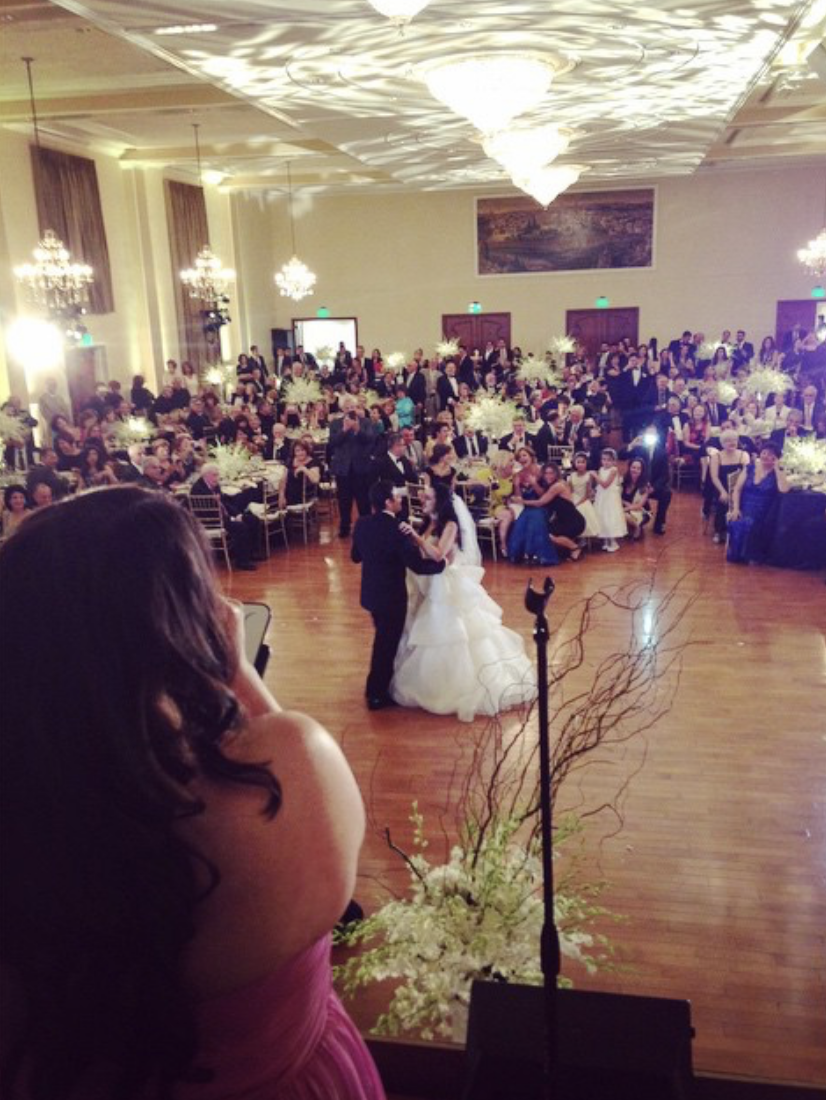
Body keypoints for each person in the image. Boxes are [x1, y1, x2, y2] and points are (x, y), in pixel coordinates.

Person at [0, 487, 385, 1100]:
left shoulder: (30, 817)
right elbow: (326, 837)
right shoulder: (290, 765)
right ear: (182, 617)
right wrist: (236, 672)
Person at [391, 483, 536, 722]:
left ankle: (458, 685)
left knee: (455, 631)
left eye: (428, 498)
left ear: (440, 501)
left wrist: (416, 539)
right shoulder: (429, 523)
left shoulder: (451, 525)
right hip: (429, 583)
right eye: (423, 497)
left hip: (446, 584)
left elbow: (439, 554)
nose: (423, 500)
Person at [351, 480, 445, 711]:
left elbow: (355, 556)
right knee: (386, 644)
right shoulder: (398, 529)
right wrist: (441, 565)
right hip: (392, 597)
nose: (401, 499)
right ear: (387, 502)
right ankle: (376, 694)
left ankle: (377, 688)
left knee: (383, 639)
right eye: (397, 497)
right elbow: (417, 565)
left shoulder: (362, 524)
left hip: (371, 593)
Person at [727, 442, 789, 564]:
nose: (766, 456)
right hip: (744, 507)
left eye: (770, 454)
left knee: (753, 523)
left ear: (776, 458)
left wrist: (777, 468)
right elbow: (737, 490)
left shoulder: (778, 472)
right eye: (764, 453)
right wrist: (736, 508)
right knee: (743, 522)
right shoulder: (749, 468)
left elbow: (784, 489)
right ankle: (742, 553)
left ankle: (751, 554)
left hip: (766, 512)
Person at [506, 446, 558, 566]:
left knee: (535, 520)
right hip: (528, 507)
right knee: (522, 523)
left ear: (531, 457)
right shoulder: (518, 475)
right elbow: (519, 498)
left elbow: (544, 496)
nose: (522, 459)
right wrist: (517, 485)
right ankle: (524, 555)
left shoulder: (542, 471)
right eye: (519, 457)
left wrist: (534, 484)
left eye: (524, 455)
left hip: (543, 506)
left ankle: (539, 555)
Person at [707, 429, 751, 544]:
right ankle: (719, 530)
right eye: (728, 441)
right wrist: (723, 491)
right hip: (722, 487)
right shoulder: (716, 457)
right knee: (723, 500)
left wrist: (737, 490)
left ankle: (738, 530)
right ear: (722, 443)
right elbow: (714, 477)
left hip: (741, 488)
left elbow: (747, 473)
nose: (731, 443)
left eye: (734, 440)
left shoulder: (744, 455)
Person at [594, 448, 627, 552]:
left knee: (610, 517)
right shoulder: (601, 469)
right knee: (602, 516)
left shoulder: (613, 470)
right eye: (603, 459)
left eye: (609, 460)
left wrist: (595, 476)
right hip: (602, 496)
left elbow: (605, 484)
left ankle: (613, 541)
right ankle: (605, 540)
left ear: (613, 461)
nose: (606, 462)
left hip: (610, 497)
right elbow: (600, 485)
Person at [568, 451, 600, 539]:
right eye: (578, 462)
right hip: (573, 497)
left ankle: (584, 537)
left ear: (586, 463)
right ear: (575, 463)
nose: (580, 464)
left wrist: (578, 503)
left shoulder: (588, 475)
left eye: (583, 462)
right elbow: (570, 491)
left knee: (581, 510)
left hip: (584, 499)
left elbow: (587, 494)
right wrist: (571, 501)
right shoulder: (572, 475)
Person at [621, 458, 652, 541]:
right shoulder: (623, 481)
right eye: (633, 467)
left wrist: (624, 508)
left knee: (622, 514)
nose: (635, 470)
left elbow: (639, 505)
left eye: (638, 468)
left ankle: (637, 527)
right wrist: (625, 503)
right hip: (628, 508)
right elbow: (618, 497)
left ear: (642, 471)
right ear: (629, 468)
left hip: (641, 511)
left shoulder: (645, 485)